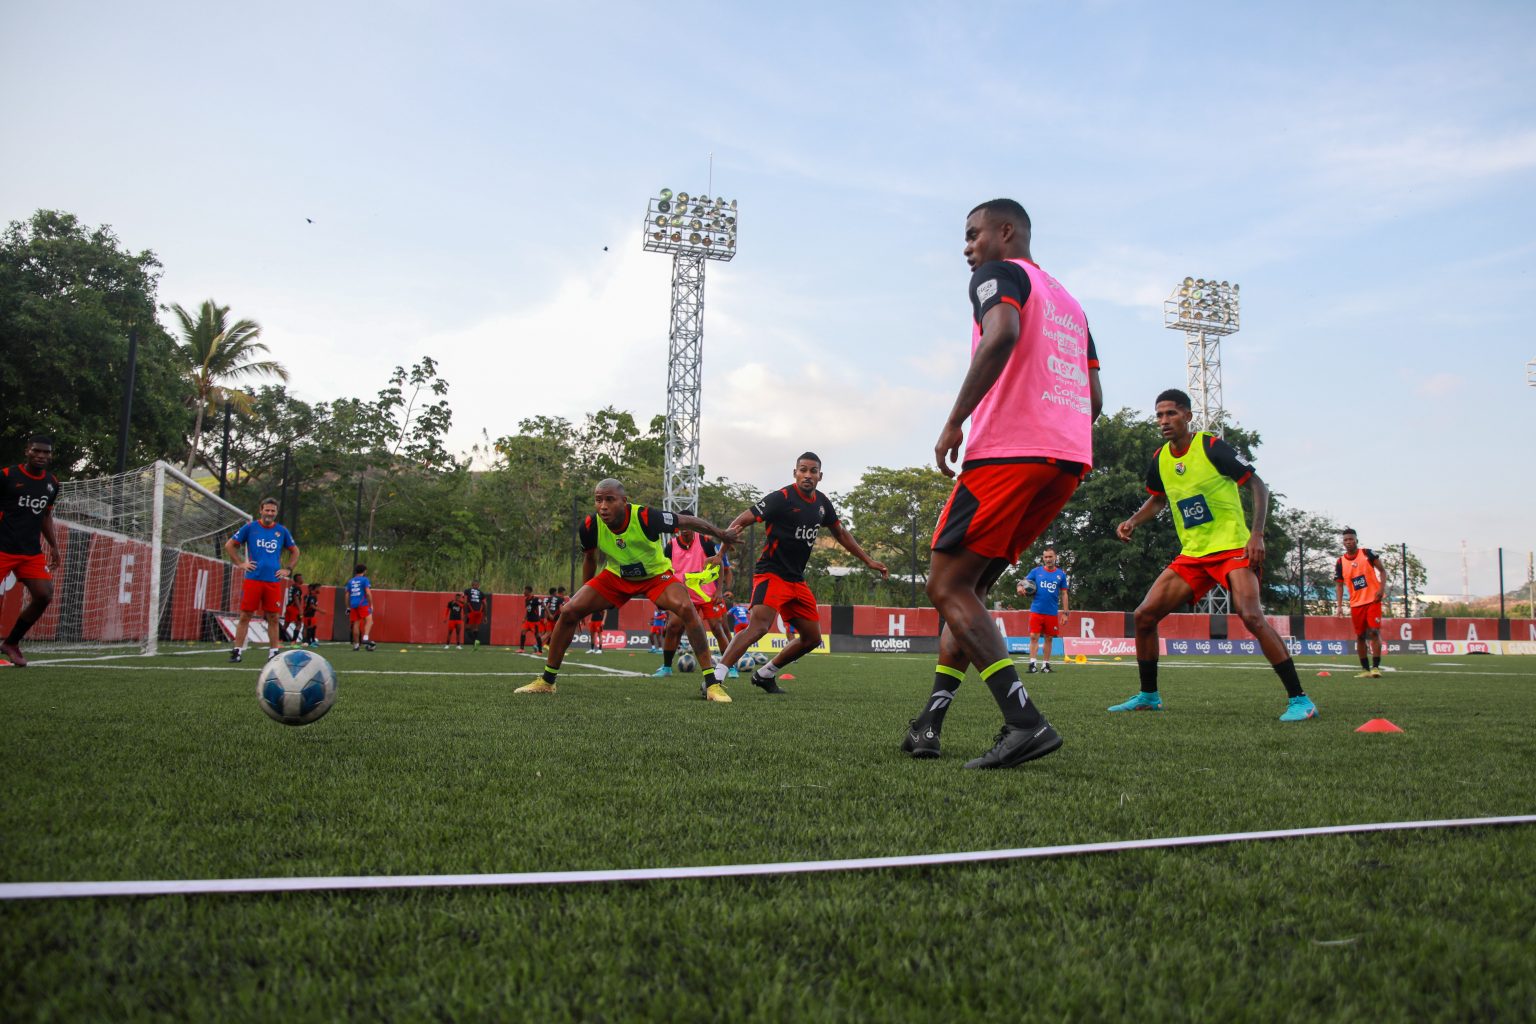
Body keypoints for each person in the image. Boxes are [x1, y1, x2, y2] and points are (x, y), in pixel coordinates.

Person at [902, 199, 1101, 769]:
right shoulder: (1070, 303)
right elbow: (1097, 399)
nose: (967, 248)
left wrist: (953, 420)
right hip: (1066, 460)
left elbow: (1002, 332)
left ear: (1005, 232)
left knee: (945, 585)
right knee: (970, 590)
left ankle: (1024, 722)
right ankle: (930, 723)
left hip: (1009, 452)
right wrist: (1058, 434)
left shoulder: (1000, 274)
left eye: (972, 235)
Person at [1111, 388, 1317, 722]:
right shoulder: (1160, 458)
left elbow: (1258, 485)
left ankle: (1300, 700)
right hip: (1193, 554)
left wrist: (1257, 534)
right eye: (1159, 415)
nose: (1164, 421)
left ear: (1188, 416)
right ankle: (1149, 696)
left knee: (1250, 616)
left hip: (1233, 548)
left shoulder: (1210, 446)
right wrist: (1133, 520)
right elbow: (1159, 499)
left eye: (1171, 413)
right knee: (1144, 616)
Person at [515, 478, 739, 701]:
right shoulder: (589, 525)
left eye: (609, 500)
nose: (603, 506)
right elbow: (590, 559)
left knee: (686, 608)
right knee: (569, 611)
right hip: (617, 576)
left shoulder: (645, 517)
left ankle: (712, 684)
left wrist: (722, 534)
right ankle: (547, 681)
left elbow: (687, 521)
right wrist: (583, 599)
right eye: (598, 500)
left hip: (655, 576)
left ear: (624, 501)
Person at [710, 452, 889, 695]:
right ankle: (714, 679)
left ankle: (765, 674)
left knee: (812, 638)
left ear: (820, 476)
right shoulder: (781, 498)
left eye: (812, 471)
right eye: (802, 470)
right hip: (771, 574)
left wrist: (868, 560)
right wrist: (721, 552)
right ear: (795, 473)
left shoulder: (823, 503)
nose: (807, 475)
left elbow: (841, 534)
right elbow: (742, 519)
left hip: (796, 580)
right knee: (759, 626)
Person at [0, 436, 62, 668]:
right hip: (3, 547)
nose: (41, 456)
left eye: (46, 453)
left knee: (44, 594)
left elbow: (45, 515)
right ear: (27, 451)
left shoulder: (52, 483)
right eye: (37, 451)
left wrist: (54, 546)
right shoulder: (7, 475)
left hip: (30, 552)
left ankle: (12, 643)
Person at [224, 497, 300, 663]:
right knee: (245, 615)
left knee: (273, 617)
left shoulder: (282, 531)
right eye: (267, 510)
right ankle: (237, 651)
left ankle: (273, 651)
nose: (269, 513)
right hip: (253, 579)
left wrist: (288, 569)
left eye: (273, 511)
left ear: (276, 513)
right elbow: (229, 545)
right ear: (261, 510)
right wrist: (240, 563)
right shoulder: (250, 528)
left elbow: (295, 551)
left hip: (272, 581)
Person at [654, 527, 731, 678]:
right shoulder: (670, 545)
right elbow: (664, 570)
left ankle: (731, 667)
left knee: (717, 628)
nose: (684, 531)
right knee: (672, 627)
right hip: (682, 595)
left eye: (687, 527)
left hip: (706, 594)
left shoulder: (705, 542)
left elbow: (719, 563)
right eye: (681, 528)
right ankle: (667, 667)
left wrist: (719, 590)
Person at [1335, 528, 1385, 678]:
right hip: (1356, 604)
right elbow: (1339, 585)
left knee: (1374, 632)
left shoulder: (1367, 554)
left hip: (1373, 600)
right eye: (1346, 540)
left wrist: (1381, 588)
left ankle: (1375, 667)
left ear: (1356, 540)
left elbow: (1382, 571)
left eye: (1351, 539)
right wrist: (1339, 606)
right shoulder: (1340, 562)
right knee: (1360, 636)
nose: (1348, 542)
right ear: (1343, 543)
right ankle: (1365, 669)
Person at [1017, 548, 1069, 673]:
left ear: (1055, 557)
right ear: (1043, 558)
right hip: (1036, 610)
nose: (1048, 559)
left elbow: (1064, 594)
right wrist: (1019, 587)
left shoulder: (1061, 574)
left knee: (1049, 638)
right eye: (1045, 557)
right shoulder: (1036, 571)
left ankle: (1045, 665)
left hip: (1051, 611)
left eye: (1050, 557)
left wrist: (1066, 613)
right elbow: (1022, 582)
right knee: (1034, 636)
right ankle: (1032, 665)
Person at [346, 563, 376, 651]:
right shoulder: (364, 580)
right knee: (370, 621)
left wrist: (348, 607)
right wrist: (371, 604)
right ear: (364, 571)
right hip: (362, 603)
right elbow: (368, 592)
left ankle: (356, 645)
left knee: (356, 624)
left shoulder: (350, 581)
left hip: (353, 604)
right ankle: (366, 638)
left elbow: (347, 595)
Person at [281, 572, 305, 643]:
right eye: (301, 578)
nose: (302, 580)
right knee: (299, 624)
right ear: (298, 579)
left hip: (288, 607)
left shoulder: (292, 586)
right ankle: (293, 642)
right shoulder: (297, 588)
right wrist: (300, 609)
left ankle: (280, 640)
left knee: (286, 624)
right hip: (294, 608)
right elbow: (296, 597)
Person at [519, 586, 543, 653]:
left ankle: (540, 651)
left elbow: (543, 604)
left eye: (525, 591)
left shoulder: (535, 599)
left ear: (529, 591)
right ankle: (521, 649)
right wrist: (524, 618)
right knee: (523, 632)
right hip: (528, 621)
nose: (524, 592)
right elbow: (528, 610)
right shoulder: (526, 600)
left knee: (537, 635)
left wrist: (545, 615)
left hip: (534, 621)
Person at [463, 580, 486, 648]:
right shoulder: (481, 593)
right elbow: (485, 604)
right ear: (478, 586)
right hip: (479, 612)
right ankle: (476, 643)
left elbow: (465, 602)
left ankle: (475, 641)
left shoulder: (467, 591)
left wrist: (465, 613)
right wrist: (485, 616)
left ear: (472, 585)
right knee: (475, 628)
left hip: (471, 611)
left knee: (467, 629)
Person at [302, 582, 321, 647]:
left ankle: (310, 641)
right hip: (308, 614)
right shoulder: (312, 596)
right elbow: (311, 605)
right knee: (309, 627)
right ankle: (308, 641)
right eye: (319, 588)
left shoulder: (312, 596)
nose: (320, 589)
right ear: (315, 589)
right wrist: (321, 611)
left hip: (310, 614)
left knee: (312, 626)